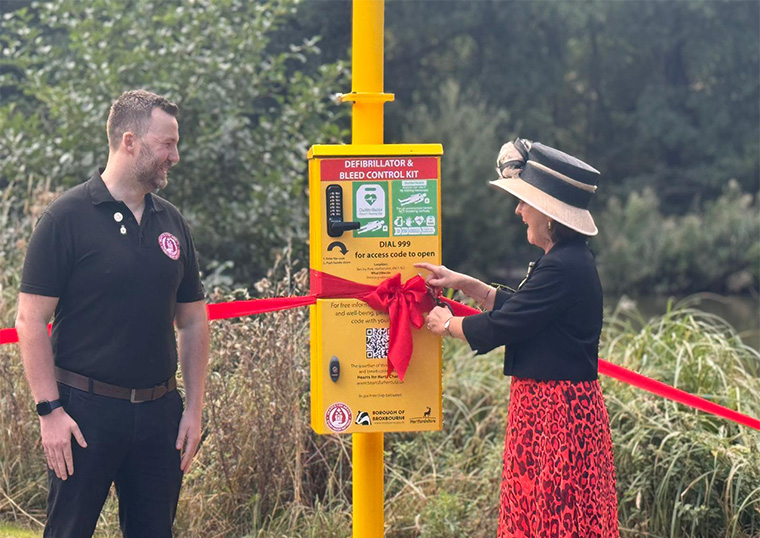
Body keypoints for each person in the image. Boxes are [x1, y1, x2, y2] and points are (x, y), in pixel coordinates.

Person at [15, 89, 209, 538]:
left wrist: (193, 411)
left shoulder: (172, 222)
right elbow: (29, 320)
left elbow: (194, 320)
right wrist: (50, 412)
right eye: (167, 143)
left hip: (160, 414)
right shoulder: (65, 218)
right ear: (129, 141)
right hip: (82, 415)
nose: (175, 156)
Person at [416, 138, 619, 537]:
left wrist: (447, 324)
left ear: (547, 213)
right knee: (550, 510)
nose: (518, 210)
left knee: (556, 513)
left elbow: (508, 325)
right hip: (549, 407)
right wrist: (469, 284)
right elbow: (526, 311)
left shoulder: (563, 266)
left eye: (525, 202)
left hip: (557, 411)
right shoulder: (564, 261)